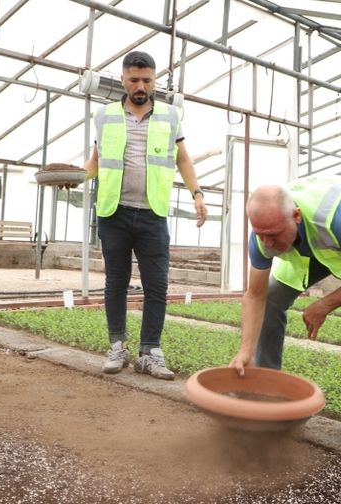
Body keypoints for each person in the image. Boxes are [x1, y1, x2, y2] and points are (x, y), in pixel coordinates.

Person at [60, 51, 207, 380]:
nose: (140, 86)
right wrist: (74, 178)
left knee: (157, 286)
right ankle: (117, 346)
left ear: (154, 81)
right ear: (123, 79)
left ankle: (150, 352)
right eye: (134, 80)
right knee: (116, 283)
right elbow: (96, 162)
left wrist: (197, 194)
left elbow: (183, 160)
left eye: (147, 80)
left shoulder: (170, 116)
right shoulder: (106, 115)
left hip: (152, 214)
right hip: (114, 212)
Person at [228, 176, 341, 446]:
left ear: (295, 216)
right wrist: (245, 350)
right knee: (273, 297)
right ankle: (267, 394)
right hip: (318, 245)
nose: (268, 243)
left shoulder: (336, 217)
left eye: (273, 235)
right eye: (260, 234)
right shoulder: (264, 233)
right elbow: (256, 295)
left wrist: (324, 305)